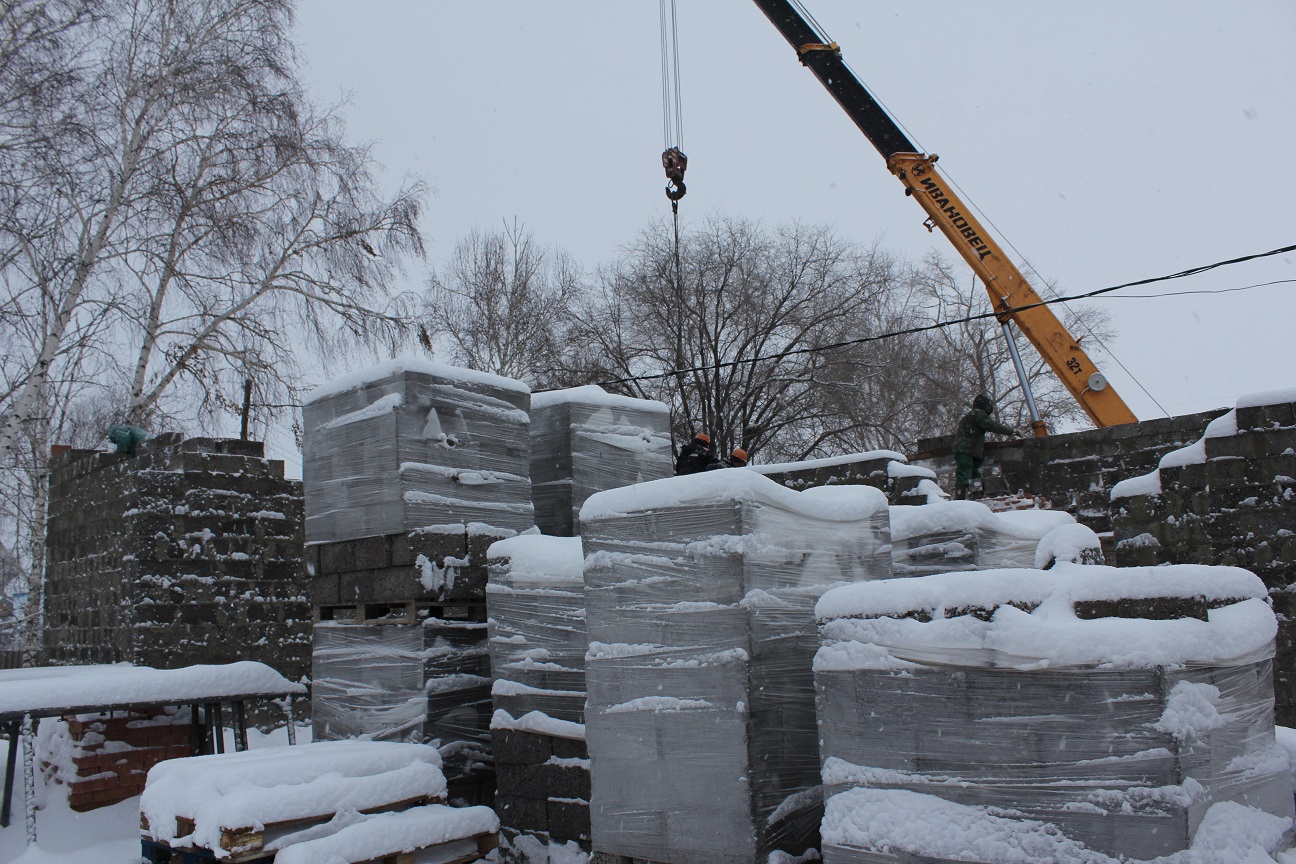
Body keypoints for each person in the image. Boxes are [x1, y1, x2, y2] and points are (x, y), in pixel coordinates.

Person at [952, 393, 1015, 499]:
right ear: (984, 405)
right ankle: (960, 501)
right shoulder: (977, 413)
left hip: (969, 451)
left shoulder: (974, 414)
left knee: (975, 477)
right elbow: (990, 425)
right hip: (965, 450)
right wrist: (1011, 431)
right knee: (965, 476)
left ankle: (976, 499)